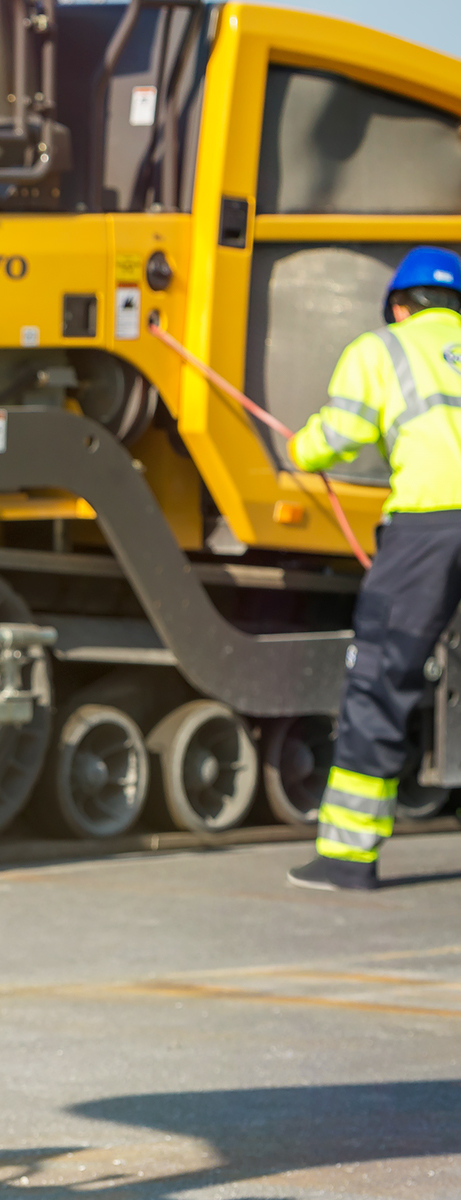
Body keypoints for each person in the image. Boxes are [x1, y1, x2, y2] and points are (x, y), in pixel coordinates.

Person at [285, 245, 461, 892]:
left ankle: (348, 856)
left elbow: (339, 434)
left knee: (382, 680)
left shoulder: (383, 349)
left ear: (399, 307)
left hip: (428, 529)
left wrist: (300, 447)